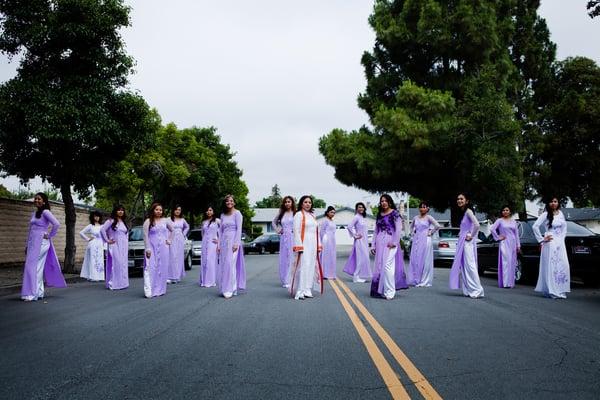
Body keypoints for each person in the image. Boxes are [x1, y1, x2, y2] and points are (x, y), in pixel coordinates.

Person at [21, 192, 67, 301]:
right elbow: (30, 231)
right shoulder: (34, 213)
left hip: (41, 242)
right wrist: (27, 245)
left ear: (44, 201)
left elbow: (56, 224)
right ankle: (38, 292)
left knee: (32, 267)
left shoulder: (46, 212)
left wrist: (50, 235)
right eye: (35, 199)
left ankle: (32, 293)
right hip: (33, 243)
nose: (36, 200)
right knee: (37, 267)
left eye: (39, 199)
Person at [370, 194, 407, 300]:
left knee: (387, 267)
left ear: (389, 202)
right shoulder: (379, 214)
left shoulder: (395, 213)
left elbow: (399, 228)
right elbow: (376, 231)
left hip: (390, 243)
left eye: (385, 201)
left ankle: (390, 291)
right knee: (380, 266)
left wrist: (395, 242)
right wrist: (373, 245)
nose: (383, 203)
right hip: (380, 242)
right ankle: (381, 290)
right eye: (381, 201)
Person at [532, 197, 570, 299]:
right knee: (551, 265)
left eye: (555, 201)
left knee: (562, 265)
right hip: (550, 242)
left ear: (558, 203)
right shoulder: (545, 214)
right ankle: (551, 290)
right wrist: (541, 239)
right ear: (548, 203)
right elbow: (535, 226)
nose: (553, 203)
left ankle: (560, 289)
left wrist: (562, 238)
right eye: (551, 201)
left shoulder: (561, 214)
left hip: (560, 243)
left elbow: (564, 228)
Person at [449, 193, 484, 298]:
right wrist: (462, 232)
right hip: (462, 241)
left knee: (470, 265)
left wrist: (471, 236)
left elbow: (477, 225)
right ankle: (469, 289)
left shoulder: (468, 211)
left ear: (467, 201)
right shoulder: (464, 213)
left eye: (461, 199)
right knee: (464, 266)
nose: (459, 200)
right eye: (458, 199)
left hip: (467, 242)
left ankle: (477, 290)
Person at [290, 195, 323, 300]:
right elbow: (296, 231)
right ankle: (300, 290)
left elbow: (316, 232)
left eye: (309, 202)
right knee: (303, 266)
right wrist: (299, 246)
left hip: (312, 244)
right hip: (304, 244)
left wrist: (318, 245)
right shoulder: (298, 215)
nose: (308, 204)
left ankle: (307, 289)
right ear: (301, 203)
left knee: (311, 266)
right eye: (305, 202)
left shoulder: (312, 216)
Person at [143, 202, 173, 298]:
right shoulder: (148, 221)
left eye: (160, 210)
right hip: (152, 248)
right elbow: (145, 235)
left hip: (164, 248)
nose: (159, 211)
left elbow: (173, 230)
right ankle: (150, 289)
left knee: (163, 267)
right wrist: (147, 248)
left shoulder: (165, 220)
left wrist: (169, 240)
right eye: (157, 210)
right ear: (153, 210)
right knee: (151, 267)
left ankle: (160, 289)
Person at [218, 195, 246, 299]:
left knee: (230, 265)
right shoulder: (222, 215)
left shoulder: (237, 213)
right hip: (224, 243)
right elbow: (220, 231)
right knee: (225, 265)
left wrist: (236, 243)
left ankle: (231, 288)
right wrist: (219, 244)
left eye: (231, 201)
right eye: (227, 201)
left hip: (234, 242)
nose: (229, 202)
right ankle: (225, 287)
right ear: (225, 203)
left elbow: (239, 229)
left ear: (234, 203)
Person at [407, 202, 440, 287]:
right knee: (415, 259)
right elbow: (411, 227)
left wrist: (430, 232)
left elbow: (437, 225)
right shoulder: (415, 218)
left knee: (424, 259)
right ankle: (415, 278)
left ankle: (423, 279)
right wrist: (412, 233)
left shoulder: (429, 217)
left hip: (425, 239)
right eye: (421, 207)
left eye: (424, 207)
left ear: (427, 209)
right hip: (416, 240)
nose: (422, 209)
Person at [489, 205, 521, 288]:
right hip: (504, 242)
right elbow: (492, 229)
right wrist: (498, 237)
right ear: (502, 212)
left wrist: (518, 245)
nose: (505, 211)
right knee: (505, 262)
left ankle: (510, 283)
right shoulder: (500, 220)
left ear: (510, 212)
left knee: (512, 262)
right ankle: (505, 283)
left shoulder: (513, 221)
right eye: (503, 210)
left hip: (513, 243)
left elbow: (516, 234)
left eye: (507, 210)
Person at [100, 205, 129, 290]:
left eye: (122, 210)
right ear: (115, 211)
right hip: (114, 245)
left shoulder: (123, 222)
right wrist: (107, 240)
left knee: (123, 264)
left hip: (124, 246)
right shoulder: (111, 221)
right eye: (119, 210)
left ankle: (122, 283)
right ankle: (113, 283)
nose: (121, 212)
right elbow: (102, 230)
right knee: (117, 263)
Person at [343, 202, 372, 283]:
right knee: (360, 259)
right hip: (359, 241)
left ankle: (358, 275)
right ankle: (356, 277)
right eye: (359, 207)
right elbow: (349, 227)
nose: (361, 208)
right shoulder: (356, 217)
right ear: (356, 209)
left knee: (364, 258)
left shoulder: (362, 218)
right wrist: (355, 235)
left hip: (364, 241)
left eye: (362, 207)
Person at [271, 196, 295, 287]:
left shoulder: (296, 213)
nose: (287, 203)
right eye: (285, 202)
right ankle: (285, 279)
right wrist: (278, 230)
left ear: (292, 203)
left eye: (289, 201)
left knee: (292, 258)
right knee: (284, 258)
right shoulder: (281, 213)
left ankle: (292, 279)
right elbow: (273, 222)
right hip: (284, 237)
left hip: (293, 237)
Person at [79, 210, 105, 282]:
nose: (97, 218)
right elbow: (81, 232)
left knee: (99, 260)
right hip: (93, 244)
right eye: (95, 216)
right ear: (92, 217)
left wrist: (105, 245)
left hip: (100, 244)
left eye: (98, 216)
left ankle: (99, 276)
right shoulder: (90, 226)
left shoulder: (102, 226)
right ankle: (92, 276)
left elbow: (104, 236)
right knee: (92, 260)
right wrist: (88, 239)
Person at [168, 204, 190, 283]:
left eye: (179, 210)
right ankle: (170, 276)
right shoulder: (169, 219)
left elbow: (187, 227)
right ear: (173, 210)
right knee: (172, 256)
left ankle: (177, 276)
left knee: (179, 257)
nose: (177, 211)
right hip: (172, 239)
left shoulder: (182, 220)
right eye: (176, 209)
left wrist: (183, 234)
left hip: (180, 239)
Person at [199, 206, 220, 287]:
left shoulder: (217, 221)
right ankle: (204, 280)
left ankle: (211, 281)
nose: (209, 212)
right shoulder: (204, 222)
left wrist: (219, 241)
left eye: (210, 210)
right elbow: (202, 233)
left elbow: (222, 231)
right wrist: (204, 240)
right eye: (207, 210)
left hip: (213, 243)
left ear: (213, 212)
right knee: (204, 260)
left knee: (210, 260)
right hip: (205, 243)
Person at [320, 206, 337, 279]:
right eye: (331, 212)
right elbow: (321, 231)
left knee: (331, 256)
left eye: (334, 212)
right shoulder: (325, 221)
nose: (333, 214)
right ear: (327, 212)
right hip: (326, 240)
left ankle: (331, 273)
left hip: (332, 240)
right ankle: (324, 273)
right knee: (325, 256)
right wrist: (322, 241)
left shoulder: (332, 221)